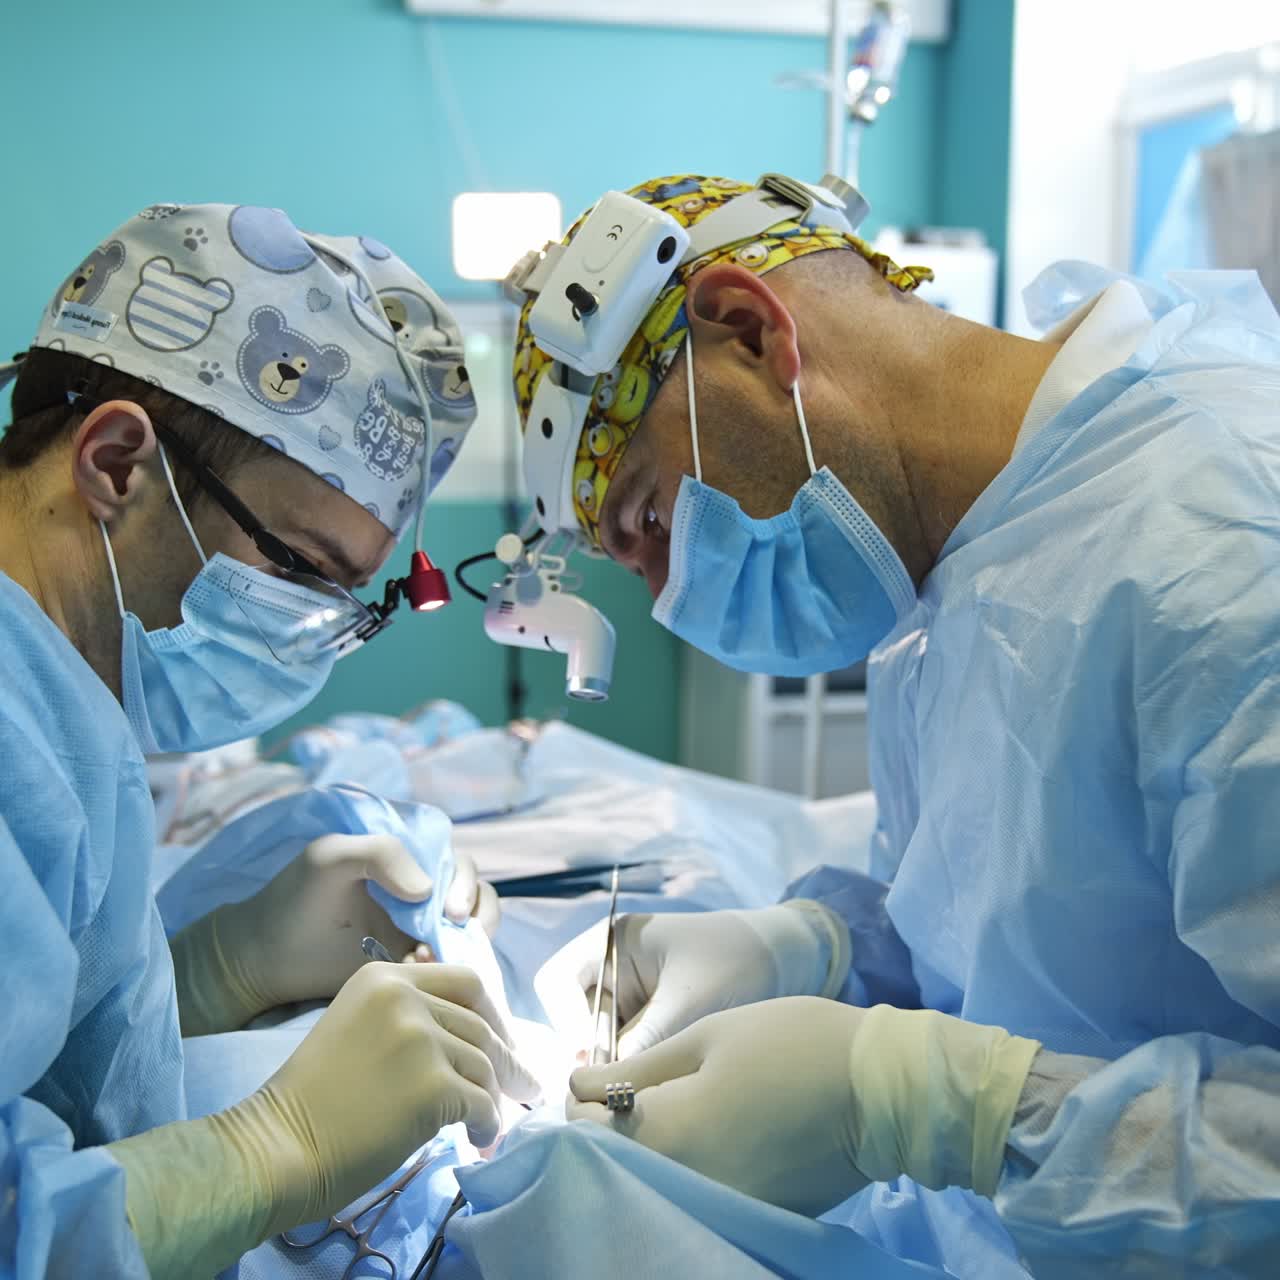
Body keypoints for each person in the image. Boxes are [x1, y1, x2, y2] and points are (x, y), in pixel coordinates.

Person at [529, 174, 1280, 1276]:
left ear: (749, 329)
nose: (660, 596)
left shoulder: (1223, 547)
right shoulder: (948, 565)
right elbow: (1006, 931)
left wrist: (929, 1107)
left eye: (647, 515)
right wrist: (815, 949)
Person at [0, 204, 539, 1280]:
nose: (312, 633)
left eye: (352, 595)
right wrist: (272, 1147)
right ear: (114, 463)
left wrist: (209, 969)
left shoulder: (65, 702)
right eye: (298, 568)